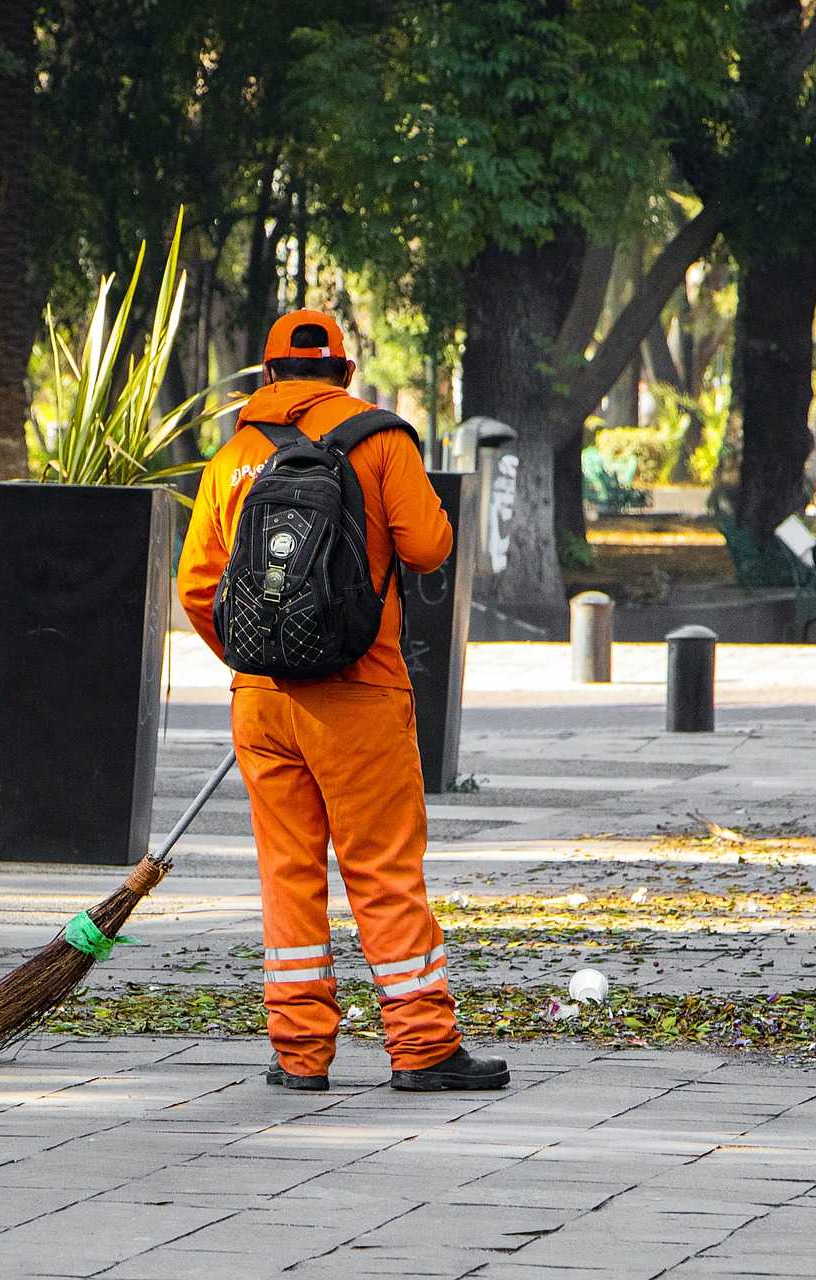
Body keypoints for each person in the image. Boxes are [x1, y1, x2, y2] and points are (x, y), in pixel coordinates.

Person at [176, 309, 508, 1093]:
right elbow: (429, 547)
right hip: (358, 694)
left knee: (289, 873)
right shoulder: (380, 439)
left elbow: (197, 588)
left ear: (267, 377)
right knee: (384, 869)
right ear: (345, 374)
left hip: (261, 702)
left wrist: (264, 657)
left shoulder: (234, 456)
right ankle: (423, 1046)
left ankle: (298, 1054)